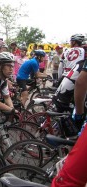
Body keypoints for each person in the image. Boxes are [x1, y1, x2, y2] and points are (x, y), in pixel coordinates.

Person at [51, 59, 87, 187]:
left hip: (63, 96)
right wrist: (79, 115)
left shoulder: (79, 62)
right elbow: (81, 81)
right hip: (68, 99)